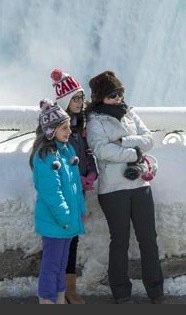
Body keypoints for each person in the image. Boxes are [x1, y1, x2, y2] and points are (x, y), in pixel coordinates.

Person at [85, 70, 164, 304]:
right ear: (100, 98)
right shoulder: (95, 121)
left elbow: (149, 139)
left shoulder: (129, 112)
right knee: (119, 240)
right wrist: (135, 153)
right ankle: (120, 292)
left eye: (120, 93)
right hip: (113, 190)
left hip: (140, 184)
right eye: (112, 95)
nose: (118, 98)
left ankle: (156, 290)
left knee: (148, 238)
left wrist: (124, 143)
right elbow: (101, 150)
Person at [29, 99, 87, 304]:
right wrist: (65, 217)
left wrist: (80, 210)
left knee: (61, 265)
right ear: (51, 130)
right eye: (64, 128)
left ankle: (59, 299)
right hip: (56, 221)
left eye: (69, 127)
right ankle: (48, 299)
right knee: (51, 264)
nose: (69, 131)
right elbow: (52, 193)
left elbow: (75, 187)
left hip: (68, 221)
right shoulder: (46, 156)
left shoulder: (66, 151)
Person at [50, 68, 98, 304]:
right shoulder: (56, 127)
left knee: (73, 239)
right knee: (60, 239)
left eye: (81, 98)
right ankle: (57, 290)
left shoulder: (81, 124)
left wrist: (91, 173)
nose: (80, 102)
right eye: (75, 99)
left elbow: (86, 153)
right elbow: (51, 162)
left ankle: (70, 289)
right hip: (63, 190)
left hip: (78, 191)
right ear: (65, 102)